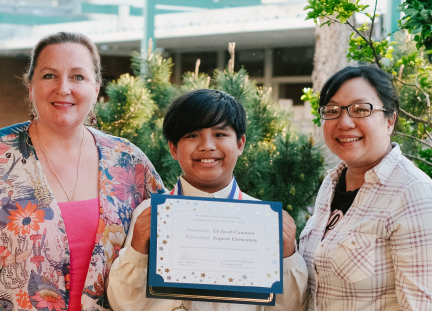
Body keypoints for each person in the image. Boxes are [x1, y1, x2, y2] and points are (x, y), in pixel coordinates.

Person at [0, 32, 165, 311]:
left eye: (78, 77)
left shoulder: (129, 162)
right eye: (49, 75)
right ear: (30, 86)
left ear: (97, 88)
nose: (63, 88)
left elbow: (167, 254)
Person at [107, 89, 309, 311]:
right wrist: (137, 250)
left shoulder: (264, 222)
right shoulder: (149, 216)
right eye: (192, 135)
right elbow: (122, 304)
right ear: (173, 148)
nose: (207, 146)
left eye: (220, 134)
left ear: (240, 143)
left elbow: (291, 307)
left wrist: (288, 255)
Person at [298, 66, 432, 310]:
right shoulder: (332, 183)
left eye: (361, 110)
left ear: (390, 119)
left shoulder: (414, 193)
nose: (344, 122)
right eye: (332, 110)